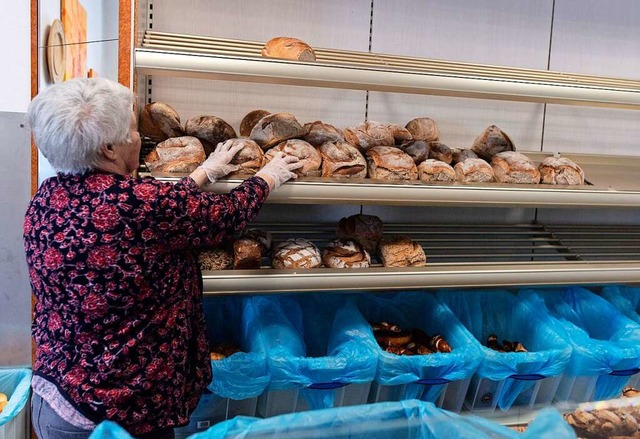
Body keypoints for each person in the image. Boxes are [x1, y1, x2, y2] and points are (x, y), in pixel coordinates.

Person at [24, 77, 301, 438]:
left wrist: (202, 174)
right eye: (133, 131)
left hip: (56, 398)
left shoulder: (48, 198)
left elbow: (148, 221)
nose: (137, 138)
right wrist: (267, 178)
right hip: (120, 414)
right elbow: (224, 217)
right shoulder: (145, 204)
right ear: (109, 147)